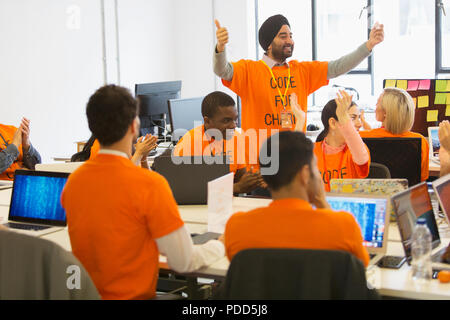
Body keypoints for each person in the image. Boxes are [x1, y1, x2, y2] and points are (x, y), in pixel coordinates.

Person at [61, 85, 225, 300]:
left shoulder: (73, 182)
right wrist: (220, 244)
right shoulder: (149, 184)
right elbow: (184, 261)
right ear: (134, 126)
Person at [213, 15, 384, 135]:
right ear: (269, 44)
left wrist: (368, 46)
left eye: (291, 36)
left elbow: (338, 67)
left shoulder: (301, 70)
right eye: (283, 36)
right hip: (260, 164)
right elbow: (223, 70)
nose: (290, 40)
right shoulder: (249, 70)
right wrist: (220, 47)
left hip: (294, 162)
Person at [223, 130, 369, 267]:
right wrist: (323, 203)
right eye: (315, 168)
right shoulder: (344, 227)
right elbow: (361, 266)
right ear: (305, 175)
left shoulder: (236, 227)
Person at [173, 91, 266, 194]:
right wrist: (237, 188)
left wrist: (253, 181)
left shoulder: (236, 137)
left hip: (228, 203)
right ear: (207, 121)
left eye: (235, 120)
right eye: (226, 121)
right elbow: (187, 190)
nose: (233, 126)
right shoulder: (189, 143)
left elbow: (240, 178)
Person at [359, 87, 429, 181]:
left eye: (377, 102)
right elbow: (422, 178)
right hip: (407, 194)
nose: (375, 106)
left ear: (385, 113)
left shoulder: (360, 138)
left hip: (374, 194)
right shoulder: (421, 142)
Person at [311, 91, 370, 192]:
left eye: (359, 117)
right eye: (352, 118)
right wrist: (299, 122)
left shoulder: (356, 151)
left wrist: (344, 119)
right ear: (333, 123)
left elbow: (362, 161)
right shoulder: (311, 151)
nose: (359, 124)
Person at [71, 134, 157, 169]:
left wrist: (143, 158)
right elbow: (122, 180)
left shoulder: (124, 143)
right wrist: (139, 153)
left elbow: (144, 179)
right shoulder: (102, 146)